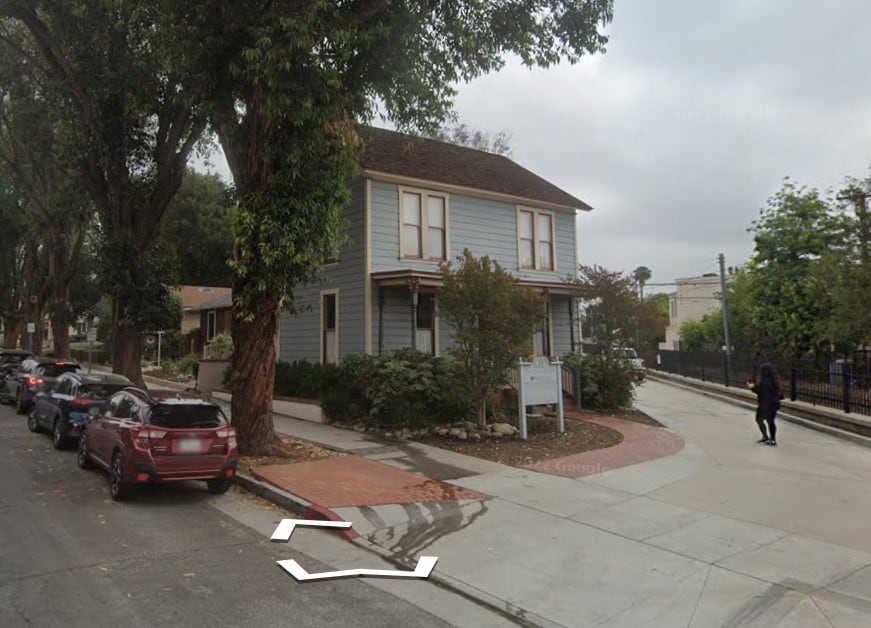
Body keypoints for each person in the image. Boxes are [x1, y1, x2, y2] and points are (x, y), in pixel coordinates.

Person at [746, 363, 784, 446]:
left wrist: (752, 387)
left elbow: (761, 391)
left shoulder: (765, 381)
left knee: (759, 419)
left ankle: (767, 437)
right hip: (774, 403)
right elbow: (779, 394)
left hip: (766, 404)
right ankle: (771, 439)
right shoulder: (775, 380)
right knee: (770, 421)